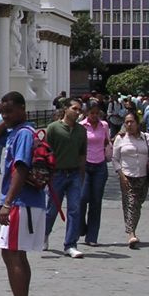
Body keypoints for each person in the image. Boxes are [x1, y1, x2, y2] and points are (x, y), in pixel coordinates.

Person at [0, 91, 46, 296]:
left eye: (10, 111)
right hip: (21, 203)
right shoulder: (17, 131)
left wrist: (7, 203)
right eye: (3, 111)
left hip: (21, 203)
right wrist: (5, 118)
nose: (6, 115)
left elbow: (21, 169)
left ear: (23, 109)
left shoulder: (24, 134)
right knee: (12, 254)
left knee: (14, 255)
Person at [44, 98, 88, 258]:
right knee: (51, 210)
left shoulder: (81, 131)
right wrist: (46, 175)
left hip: (74, 173)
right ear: (66, 109)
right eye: (75, 108)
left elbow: (83, 154)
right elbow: (45, 152)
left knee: (75, 209)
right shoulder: (53, 128)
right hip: (56, 174)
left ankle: (70, 244)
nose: (78, 112)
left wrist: (82, 175)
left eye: (79, 109)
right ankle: (45, 233)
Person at [112, 112, 149, 249]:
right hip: (127, 176)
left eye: (131, 122)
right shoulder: (120, 139)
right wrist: (121, 174)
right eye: (126, 122)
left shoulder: (146, 137)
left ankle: (132, 230)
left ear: (137, 123)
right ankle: (131, 234)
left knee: (137, 205)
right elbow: (115, 158)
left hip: (143, 176)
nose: (129, 125)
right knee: (130, 204)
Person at [80, 99, 112, 247]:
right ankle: (81, 227)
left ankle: (92, 236)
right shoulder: (81, 126)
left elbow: (107, 141)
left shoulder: (104, 125)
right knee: (82, 198)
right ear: (87, 113)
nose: (94, 116)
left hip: (99, 165)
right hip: (84, 165)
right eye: (91, 113)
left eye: (96, 113)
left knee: (96, 201)